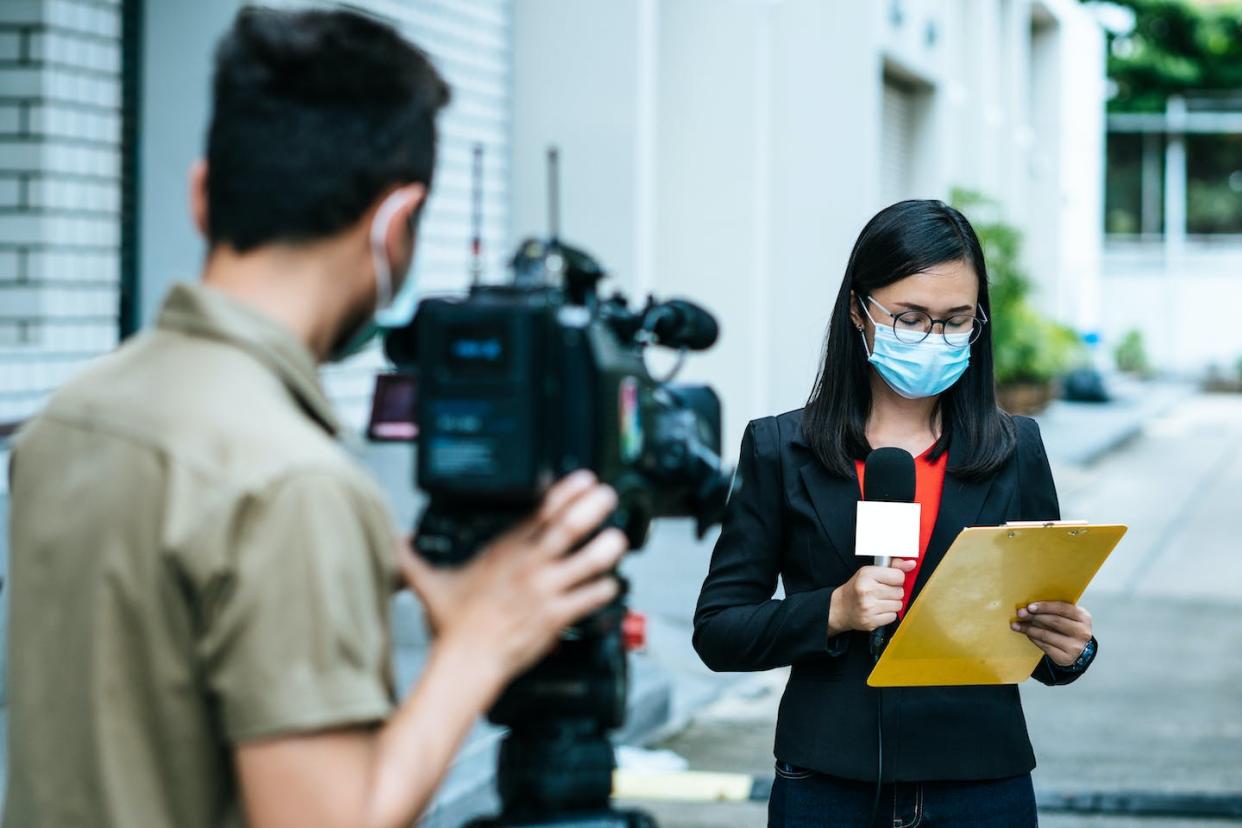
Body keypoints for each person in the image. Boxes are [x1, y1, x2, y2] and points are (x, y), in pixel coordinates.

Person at [4, 8, 627, 828]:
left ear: (202, 195)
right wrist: (478, 643)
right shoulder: (293, 484)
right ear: (393, 224)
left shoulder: (66, 420)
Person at [693, 200, 1098, 827]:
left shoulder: (1016, 449)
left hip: (980, 786)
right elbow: (719, 630)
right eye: (910, 318)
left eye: (955, 320)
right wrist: (833, 611)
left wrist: (1070, 649)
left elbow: (1040, 640)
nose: (934, 338)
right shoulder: (778, 448)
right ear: (860, 309)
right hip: (826, 784)